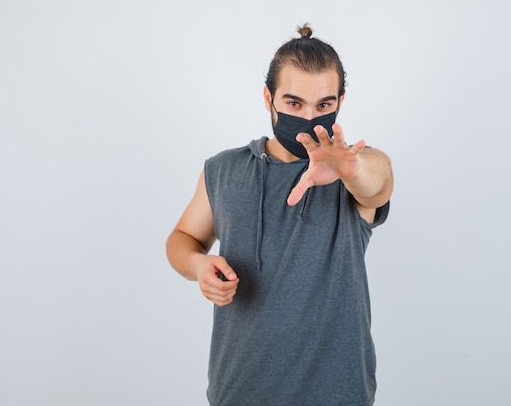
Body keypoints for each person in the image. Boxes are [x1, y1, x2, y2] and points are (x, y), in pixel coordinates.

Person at [166, 23, 393, 406]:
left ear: (340, 101)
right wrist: (197, 265)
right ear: (268, 97)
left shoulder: (355, 166)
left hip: (338, 395)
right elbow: (183, 238)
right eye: (293, 104)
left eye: (323, 105)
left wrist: (349, 170)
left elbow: (379, 183)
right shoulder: (223, 170)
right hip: (237, 390)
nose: (307, 118)